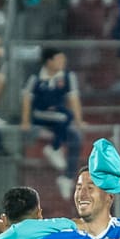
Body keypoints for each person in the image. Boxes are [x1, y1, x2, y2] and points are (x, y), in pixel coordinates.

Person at [21, 48, 85, 195]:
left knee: (76, 137)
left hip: (57, 117)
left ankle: (67, 177)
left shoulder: (68, 76)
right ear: (49, 61)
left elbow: (73, 98)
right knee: (66, 117)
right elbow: (26, 98)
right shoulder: (35, 76)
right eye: (59, 59)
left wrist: (79, 121)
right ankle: (54, 148)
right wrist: (25, 121)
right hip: (40, 115)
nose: (63, 62)